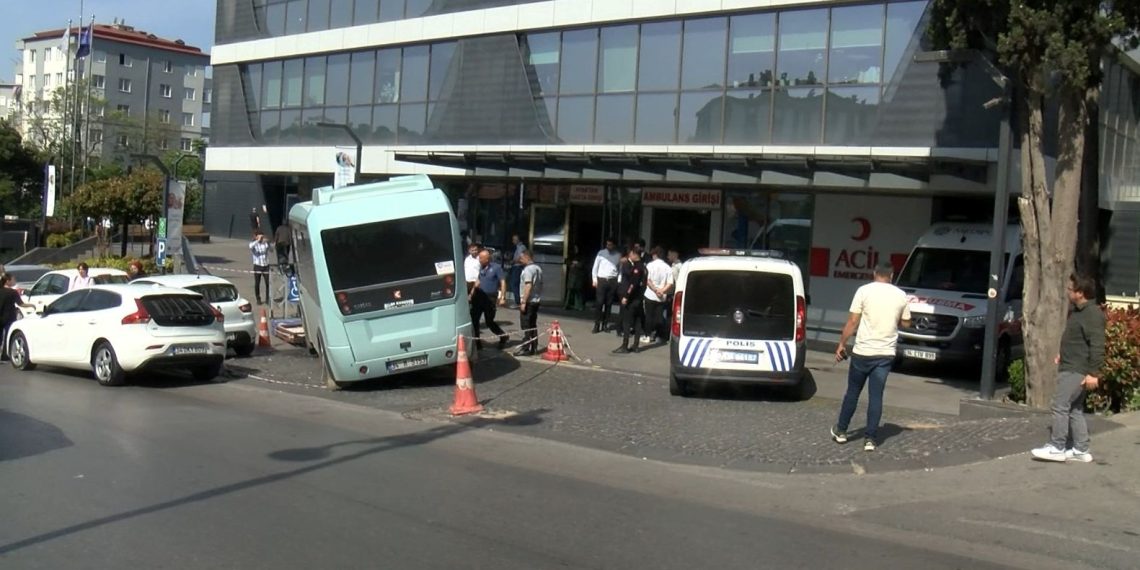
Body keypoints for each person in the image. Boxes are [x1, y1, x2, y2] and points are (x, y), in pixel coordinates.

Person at [831, 262, 911, 452]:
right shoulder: (900, 295)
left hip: (863, 352)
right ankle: (870, 439)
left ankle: (841, 431)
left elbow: (852, 321)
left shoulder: (863, 291)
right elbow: (907, 323)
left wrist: (842, 344)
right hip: (885, 354)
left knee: (853, 393)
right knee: (876, 397)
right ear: (891, 276)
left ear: (875, 273)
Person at [1031, 273, 1106, 463]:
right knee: (1074, 408)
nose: (1068, 292)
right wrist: (1062, 355)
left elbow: (1097, 345)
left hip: (1076, 370)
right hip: (1070, 365)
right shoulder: (1079, 312)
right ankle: (1081, 449)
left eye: (1070, 289)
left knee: (1059, 405)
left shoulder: (1092, 314)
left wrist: (1093, 374)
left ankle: (1057, 447)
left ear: (1080, 293)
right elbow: (1077, 340)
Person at [470, 249, 509, 351]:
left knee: (489, 321)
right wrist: (472, 293)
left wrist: (502, 297)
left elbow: (503, 282)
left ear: (487, 259)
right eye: (479, 258)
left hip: (490, 298)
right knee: (474, 320)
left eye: (481, 258)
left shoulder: (496, 268)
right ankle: (477, 343)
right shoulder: (481, 268)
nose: (479, 260)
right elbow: (478, 280)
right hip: (478, 296)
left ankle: (503, 336)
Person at [613, 248, 647, 354]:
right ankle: (636, 345)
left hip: (633, 298)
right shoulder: (644, 267)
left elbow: (633, 284)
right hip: (639, 298)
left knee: (627, 322)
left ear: (634, 254)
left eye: (630, 254)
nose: (629, 256)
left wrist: (626, 296)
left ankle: (625, 345)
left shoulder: (637, 268)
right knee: (637, 321)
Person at [514, 251, 543, 357]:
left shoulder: (528, 270)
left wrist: (523, 302)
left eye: (521, 258)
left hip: (529, 301)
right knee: (532, 325)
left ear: (527, 257)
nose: (520, 261)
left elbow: (528, 285)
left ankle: (526, 348)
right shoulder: (538, 268)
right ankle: (534, 347)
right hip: (535, 300)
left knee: (526, 325)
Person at [0, 273, 34, 361]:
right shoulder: (12, 292)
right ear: (8, 281)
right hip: (9, 317)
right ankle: (5, 356)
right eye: (13, 279)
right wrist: (32, 305)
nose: (14, 281)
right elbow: (21, 304)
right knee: (8, 336)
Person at [643, 247, 674, 343]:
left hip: (650, 294)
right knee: (659, 316)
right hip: (661, 296)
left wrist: (655, 290)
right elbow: (670, 283)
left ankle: (647, 335)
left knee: (649, 315)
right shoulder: (667, 267)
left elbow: (647, 280)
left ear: (655, 255)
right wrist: (661, 290)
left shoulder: (649, 265)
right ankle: (659, 336)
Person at [591, 239, 621, 333]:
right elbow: (595, 267)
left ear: (614, 245)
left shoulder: (618, 255)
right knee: (599, 303)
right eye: (607, 244)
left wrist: (618, 281)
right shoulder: (601, 253)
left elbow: (620, 269)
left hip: (612, 280)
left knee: (609, 304)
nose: (609, 246)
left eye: (611, 245)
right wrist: (594, 279)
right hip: (602, 279)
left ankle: (605, 324)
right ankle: (597, 324)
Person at [250, 231, 271, 305]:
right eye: (260, 237)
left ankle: (268, 299)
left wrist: (268, 242)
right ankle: (258, 299)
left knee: (268, 283)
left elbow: (271, 250)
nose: (261, 238)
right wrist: (258, 240)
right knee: (257, 283)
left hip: (266, 265)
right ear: (256, 237)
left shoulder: (265, 244)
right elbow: (250, 247)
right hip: (257, 265)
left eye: (262, 237)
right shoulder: (253, 244)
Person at [563, 245, 585, 311]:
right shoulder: (571, 255)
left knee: (578, 291)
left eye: (576, 248)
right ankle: (567, 305)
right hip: (572, 275)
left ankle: (578, 306)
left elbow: (582, 264)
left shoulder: (582, 256)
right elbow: (566, 261)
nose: (576, 250)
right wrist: (572, 263)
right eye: (575, 248)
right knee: (570, 291)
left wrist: (576, 264)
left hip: (579, 275)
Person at [508, 234, 527, 307]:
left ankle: (518, 301)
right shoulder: (517, 247)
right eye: (513, 239)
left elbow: (520, 257)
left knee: (514, 284)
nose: (513, 241)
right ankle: (517, 300)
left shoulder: (521, 247)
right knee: (514, 283)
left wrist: (513, 261)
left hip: (518, 266)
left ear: (519, 240)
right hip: (516, 266)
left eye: (515, 239)